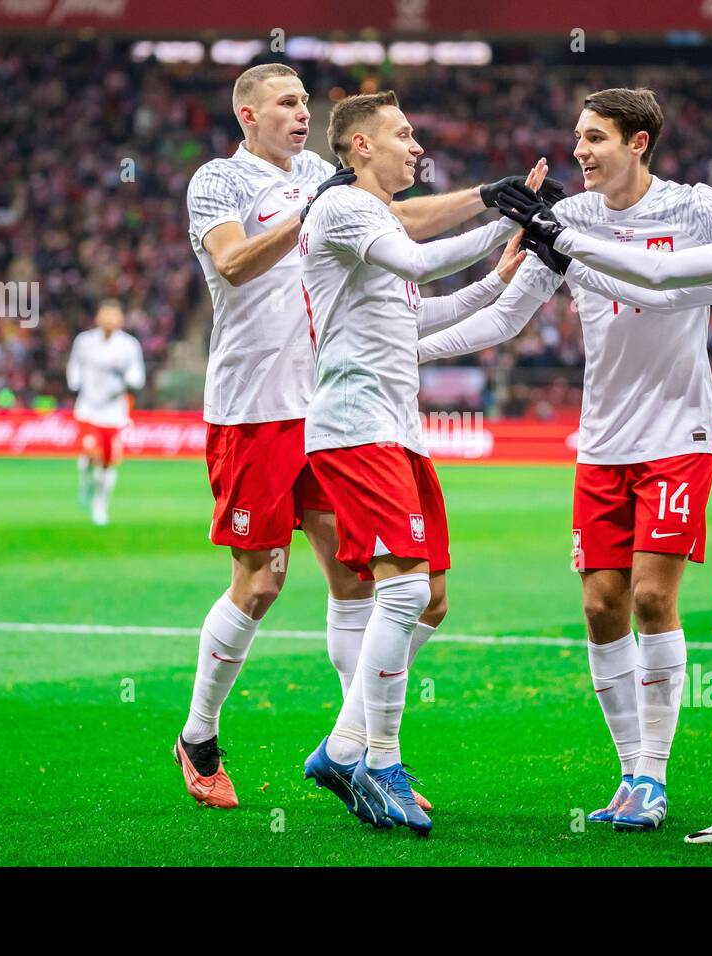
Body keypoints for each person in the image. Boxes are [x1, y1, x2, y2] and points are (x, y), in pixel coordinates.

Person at [416, 88, 712, 833]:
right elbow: (508, 314)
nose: (580, 151)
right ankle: (653, 774)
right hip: (604, 440)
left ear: (637, 143)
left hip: (681, 436)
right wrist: (407, 352)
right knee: (600, 605)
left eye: (595, 138)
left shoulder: (697, 208)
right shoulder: (571, 217)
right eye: (577, 137)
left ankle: (662, 775)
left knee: (656, 598)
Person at [177, 62, 548, 813]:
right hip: (252, 405)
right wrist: (312, 212)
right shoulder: (219, 180)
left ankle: (368, 755)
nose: (300, 114)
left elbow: (396, 223)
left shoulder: (326, 178)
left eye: (306, 102)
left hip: (327, 407)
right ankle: (200, 735)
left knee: (363, 582)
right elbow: (234, 262)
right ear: (247, 115)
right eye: (285, 103)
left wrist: (486, 199)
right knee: (262, 583)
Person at [297, 90, 552, 833]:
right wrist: (502, 215)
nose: (416, 147)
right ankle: (376, 761)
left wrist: (500, 276)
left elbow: (420, 309)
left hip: (397, 430)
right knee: (402, 592)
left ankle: (344, 746)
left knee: (431, 597)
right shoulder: (343, 208)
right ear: (360, 148)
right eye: (403, 135)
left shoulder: (372, 223)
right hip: (354, 427)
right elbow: (416, 259)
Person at [66, 299, 145, 526]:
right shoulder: (84, 341)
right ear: (98, 317)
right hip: (88, 409)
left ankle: (100, 505)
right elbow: (74, 365)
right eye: (105, 315)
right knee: (92, 455)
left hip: (113, 413)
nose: (109, 320)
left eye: (114, 315)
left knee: (108, 464)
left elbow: (137, 375)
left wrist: (130, 381)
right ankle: (86, 484)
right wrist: (75, 382)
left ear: (120, 319)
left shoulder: (129, 345)